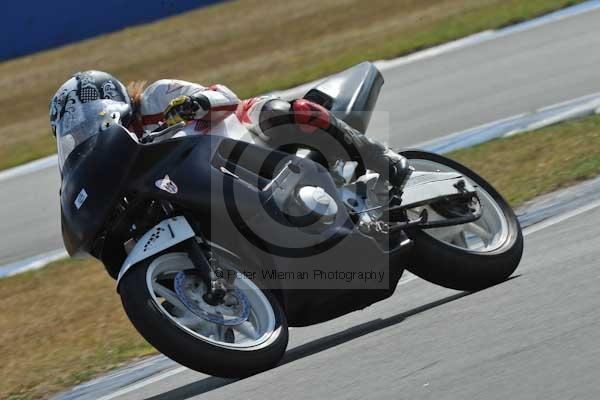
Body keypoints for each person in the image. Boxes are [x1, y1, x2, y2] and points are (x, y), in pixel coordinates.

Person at [51, 71, 410, 188]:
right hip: (216, 182)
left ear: (108, 100)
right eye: (77, 134)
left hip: (245, 140)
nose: (86, 134)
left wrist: (196, 104)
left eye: (88, 121)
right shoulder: (120, 154)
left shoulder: (157, 96)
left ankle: (380, 157)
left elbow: (224, 96)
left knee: (273, 108)